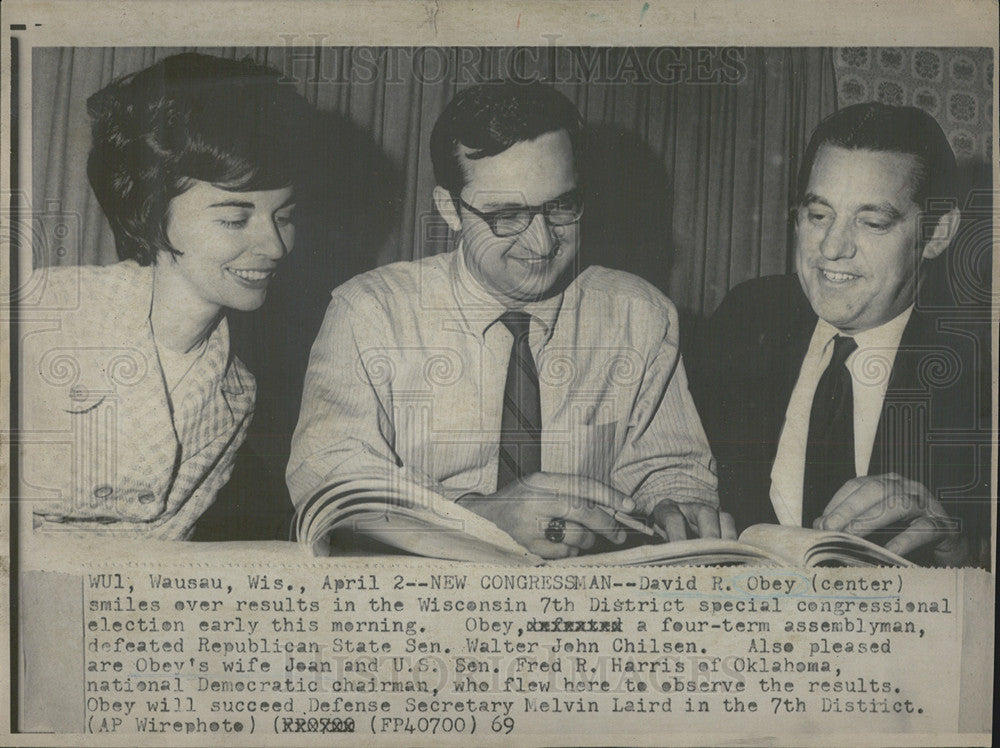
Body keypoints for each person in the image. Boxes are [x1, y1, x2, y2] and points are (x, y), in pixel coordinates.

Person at [288, 81, 723, 559]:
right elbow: (328, 482)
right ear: (449, 210)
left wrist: (676, 502)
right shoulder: (369, 312)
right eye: (507, 215)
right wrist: (479, 515)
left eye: (560, 207)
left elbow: (671, 466)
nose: (542, 244)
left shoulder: (640, 316)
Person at [19, 52, 309, 539]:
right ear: (150, 213)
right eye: (234, 219)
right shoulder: (41, 315)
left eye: (284, 216)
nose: (274, 246)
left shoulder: (235, 396)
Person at [690, 102, 990, 566]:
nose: (831, 248)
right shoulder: (747, 317)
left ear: (938, 233)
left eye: (871, 223)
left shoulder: (979, 376)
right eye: (818, 215)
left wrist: (959, 548)